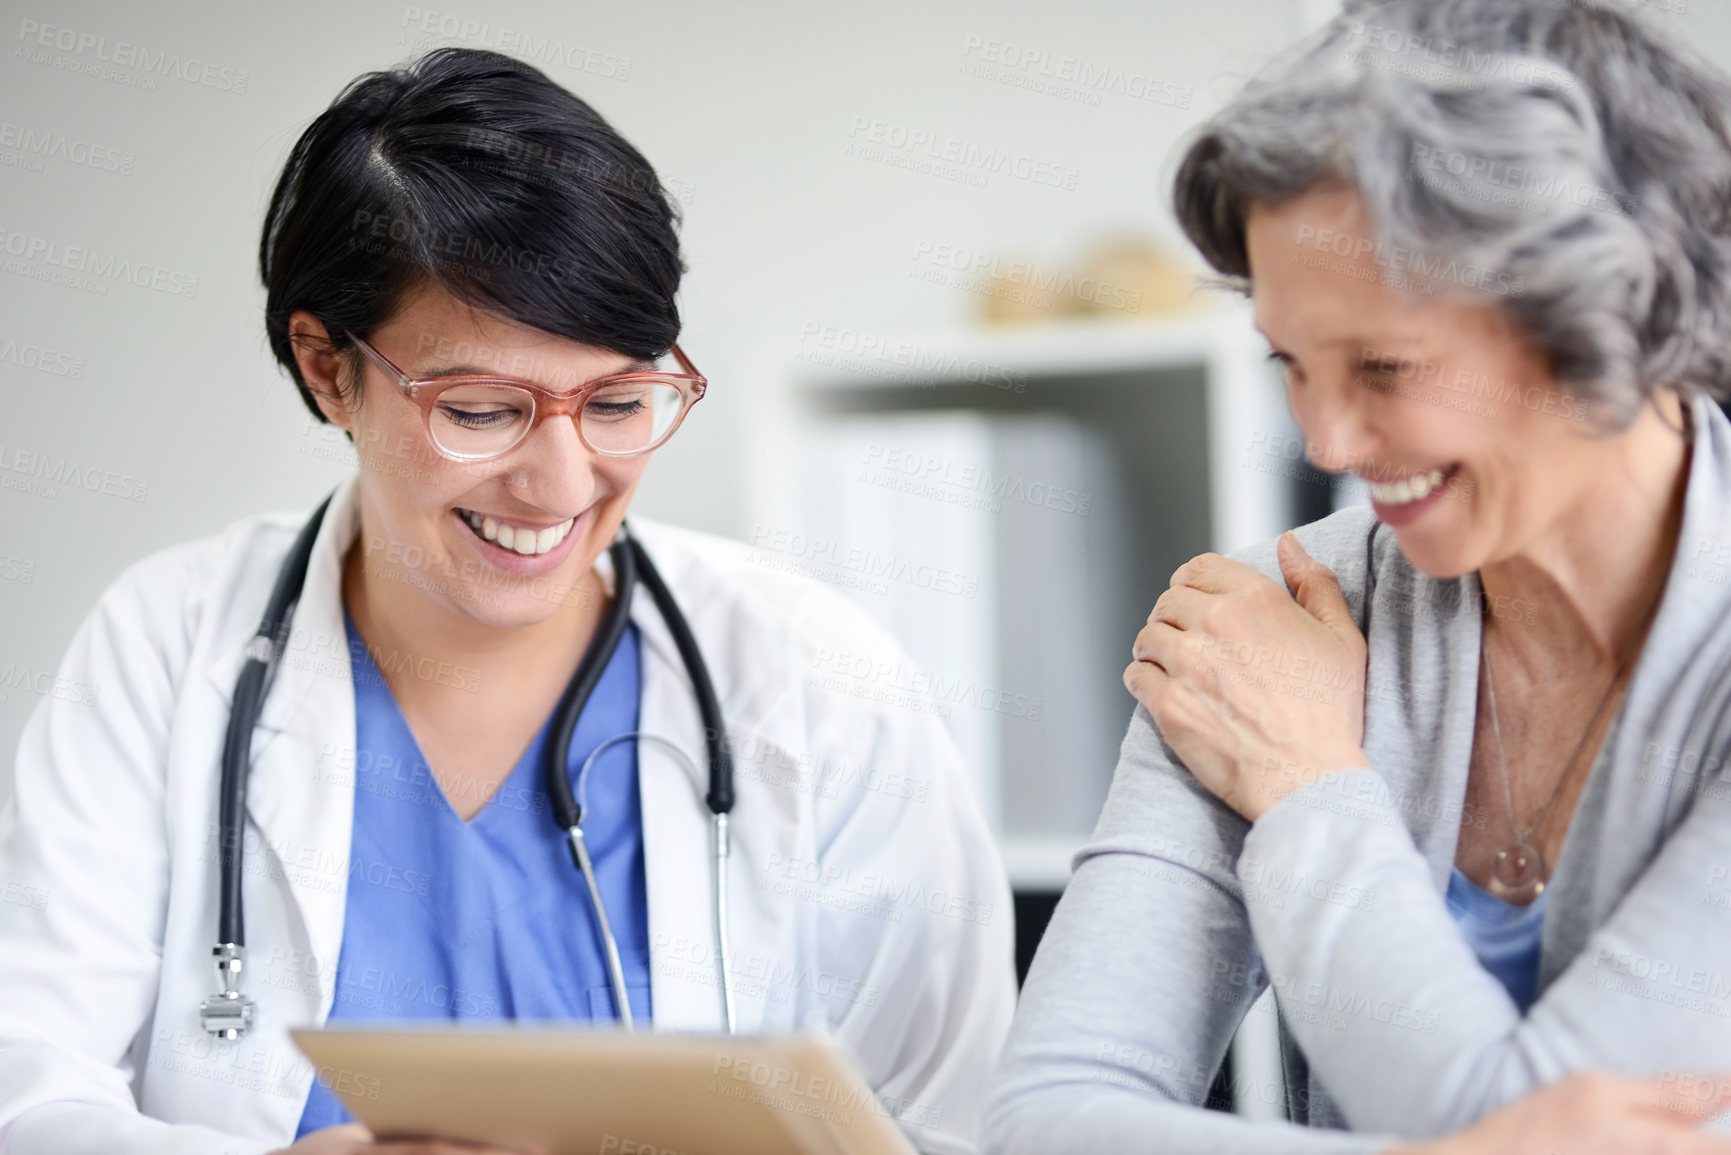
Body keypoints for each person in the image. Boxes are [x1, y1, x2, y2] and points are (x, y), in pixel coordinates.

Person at [0, 48, 1014, 1155]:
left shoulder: (820, 680)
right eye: (483, 411)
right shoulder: (166, 647)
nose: (562, 482)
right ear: (326, 368)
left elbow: (955, 1126)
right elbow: (27, 1090)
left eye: (621, 400)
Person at [987, 0, 1731, 1151]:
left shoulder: (1271, 704)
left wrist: (1305, 783)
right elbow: (1046, 1119)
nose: (1325, 445)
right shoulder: (1260, 628)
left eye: (1386, 366)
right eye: (1292, 365)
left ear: (1618, 310)